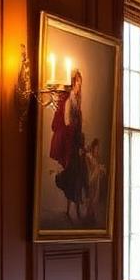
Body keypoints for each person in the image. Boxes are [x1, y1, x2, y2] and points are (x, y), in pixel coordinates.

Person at [50, 69, 87, 223]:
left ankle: (73, 210)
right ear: (73, 82)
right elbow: (67, 122)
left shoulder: (76, 101)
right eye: (77, 82)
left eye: (80, 82)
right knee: (74, 177)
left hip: (76, 143)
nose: (79, 85)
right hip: (71, 144)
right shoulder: (69, 100)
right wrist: (76, 142)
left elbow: (76, 125)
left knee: (78, 177)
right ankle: (72, 211)